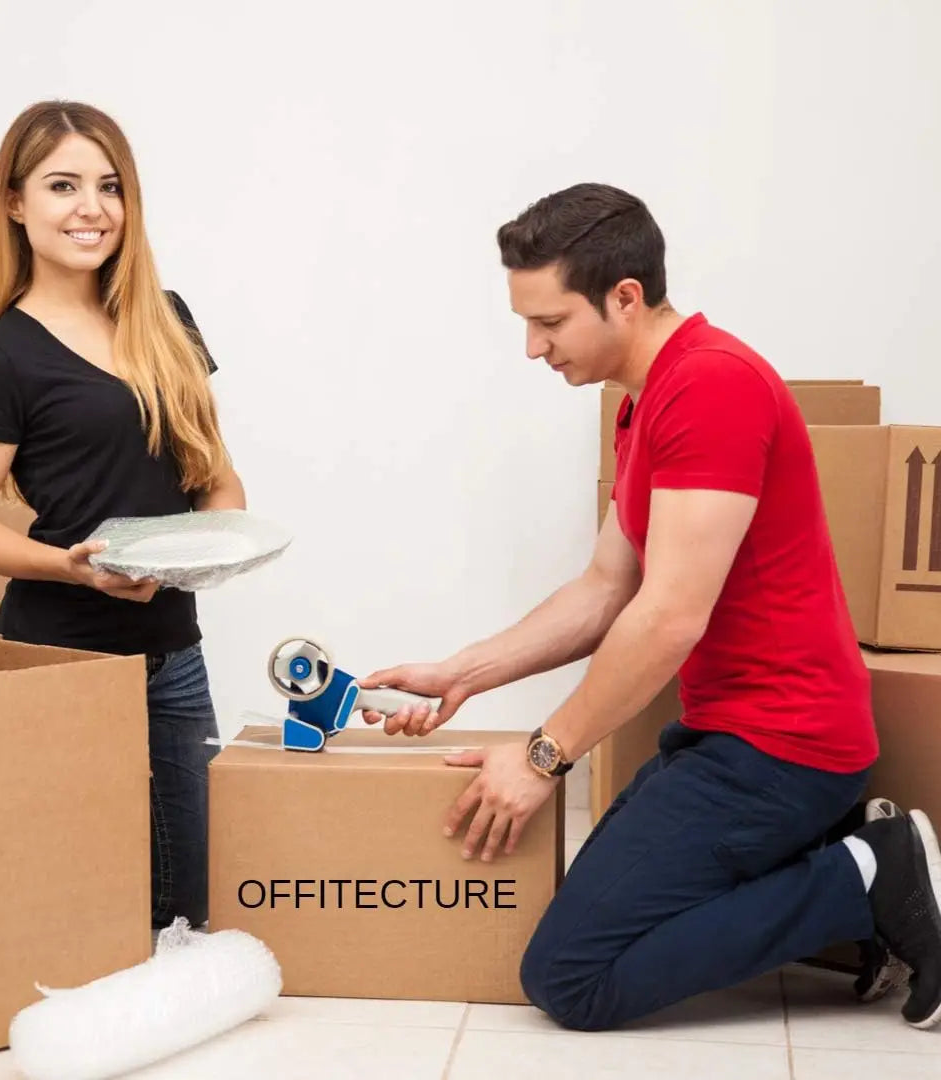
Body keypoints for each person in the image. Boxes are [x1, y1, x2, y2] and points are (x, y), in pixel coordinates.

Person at [360, 182, 941, 1031]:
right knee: (608, 917)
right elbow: (604, 591)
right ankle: (841, 852)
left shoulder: (712, 388)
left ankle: (867, 874)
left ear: (625, 297)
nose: (531, 347)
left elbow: (669, 616)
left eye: (550, 322)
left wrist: (542, 755)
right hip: (726, 740)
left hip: (782, 750)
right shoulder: (649, 399)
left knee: (571, 977)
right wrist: (464, 672)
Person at [0, 101, 245, 929]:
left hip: (173, 655)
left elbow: (216, 480)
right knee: (73, 897)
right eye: (63, 185)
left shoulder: (167, 319)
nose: (91, 208)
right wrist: (71, 565)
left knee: (190, 904)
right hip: (58, 655)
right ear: (15, 203)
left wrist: (220, 541)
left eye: (109, 186)